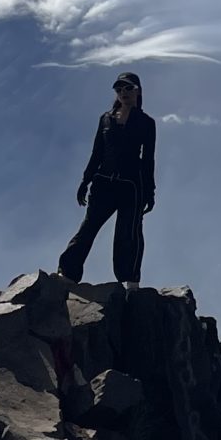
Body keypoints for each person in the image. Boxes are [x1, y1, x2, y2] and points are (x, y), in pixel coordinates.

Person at [58, 70, 156, 286]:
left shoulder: (147, 123)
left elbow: (148, 160)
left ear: (138, 90)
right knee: (88, 228)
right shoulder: (106, 119)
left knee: (128, 233)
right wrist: (85, 181)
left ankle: (130, 282)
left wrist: (150, 192)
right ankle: (67, 274)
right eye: (119, 89)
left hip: (131, 186)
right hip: (103, 183)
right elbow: (97, 153)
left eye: (128, 88)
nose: (123, 92)